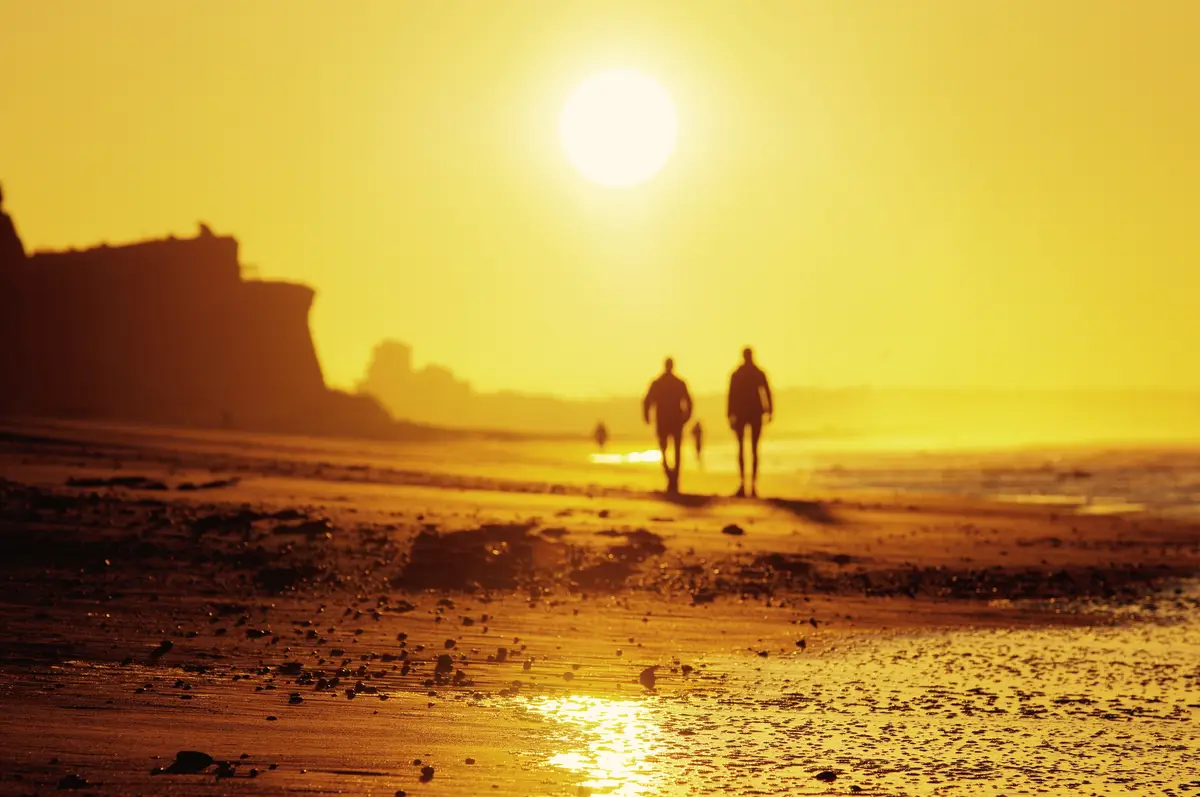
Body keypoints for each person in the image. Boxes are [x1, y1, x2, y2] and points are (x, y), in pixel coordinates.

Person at [727, 347, 773, 498]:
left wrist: (730, 414)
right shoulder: (751, 373)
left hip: (749, 414)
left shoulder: (741, 374)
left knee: (748, 449)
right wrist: (769, 410)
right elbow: (732, 395)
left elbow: (766, 392)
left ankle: (749, 484)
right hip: (749, 414)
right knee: (749, 450)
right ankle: (748, 484)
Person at [643, 357, 693, 494]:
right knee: (670, 450)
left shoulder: (662, 382)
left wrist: (647, 416)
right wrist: (686, 416)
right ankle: (672, 475)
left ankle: (673, 476)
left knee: (668, 449)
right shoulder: (666, 383)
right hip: (671, 420)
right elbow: (647, 401)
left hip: (669, 420)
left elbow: (647, 401)